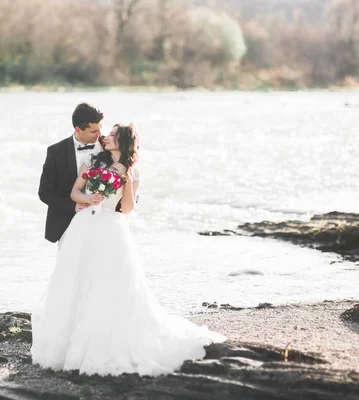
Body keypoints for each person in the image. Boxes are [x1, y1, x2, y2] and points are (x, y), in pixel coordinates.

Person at [31, 123, 226, 376]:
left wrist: (127, 179)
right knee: (75, 280)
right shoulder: (92, 163)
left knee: (111, 284)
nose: (106, 137)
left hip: (112, 229)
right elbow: (75, 192)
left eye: (112, 135)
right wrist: (89, 199)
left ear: (123, 143)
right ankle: (69, 342)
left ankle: (104, 339)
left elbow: (128, 209)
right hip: (83, 227)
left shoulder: (132, 172)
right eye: (108, 133)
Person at [38, 102, 104, 243]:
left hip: (103, 221)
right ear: (78, 129)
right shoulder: (56, 152)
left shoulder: (109, 145)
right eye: (93, 131)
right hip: (68, 224)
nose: (99, 134)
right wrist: (72, 207)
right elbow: (45, 192)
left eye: (100, 129)